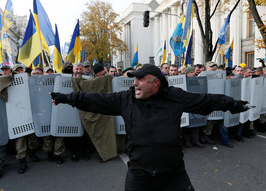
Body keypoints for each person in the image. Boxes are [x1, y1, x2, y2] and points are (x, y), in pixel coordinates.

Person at [50, 64, 248, 190]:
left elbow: (205, 100)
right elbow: (96, 99)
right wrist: (68, 98)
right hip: (140, 175)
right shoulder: (125, 99)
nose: (134, 83)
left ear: (156, 83)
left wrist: (232, 104)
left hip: (173, 174)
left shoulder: (175, 97)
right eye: (134, 79)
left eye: (140, 79)